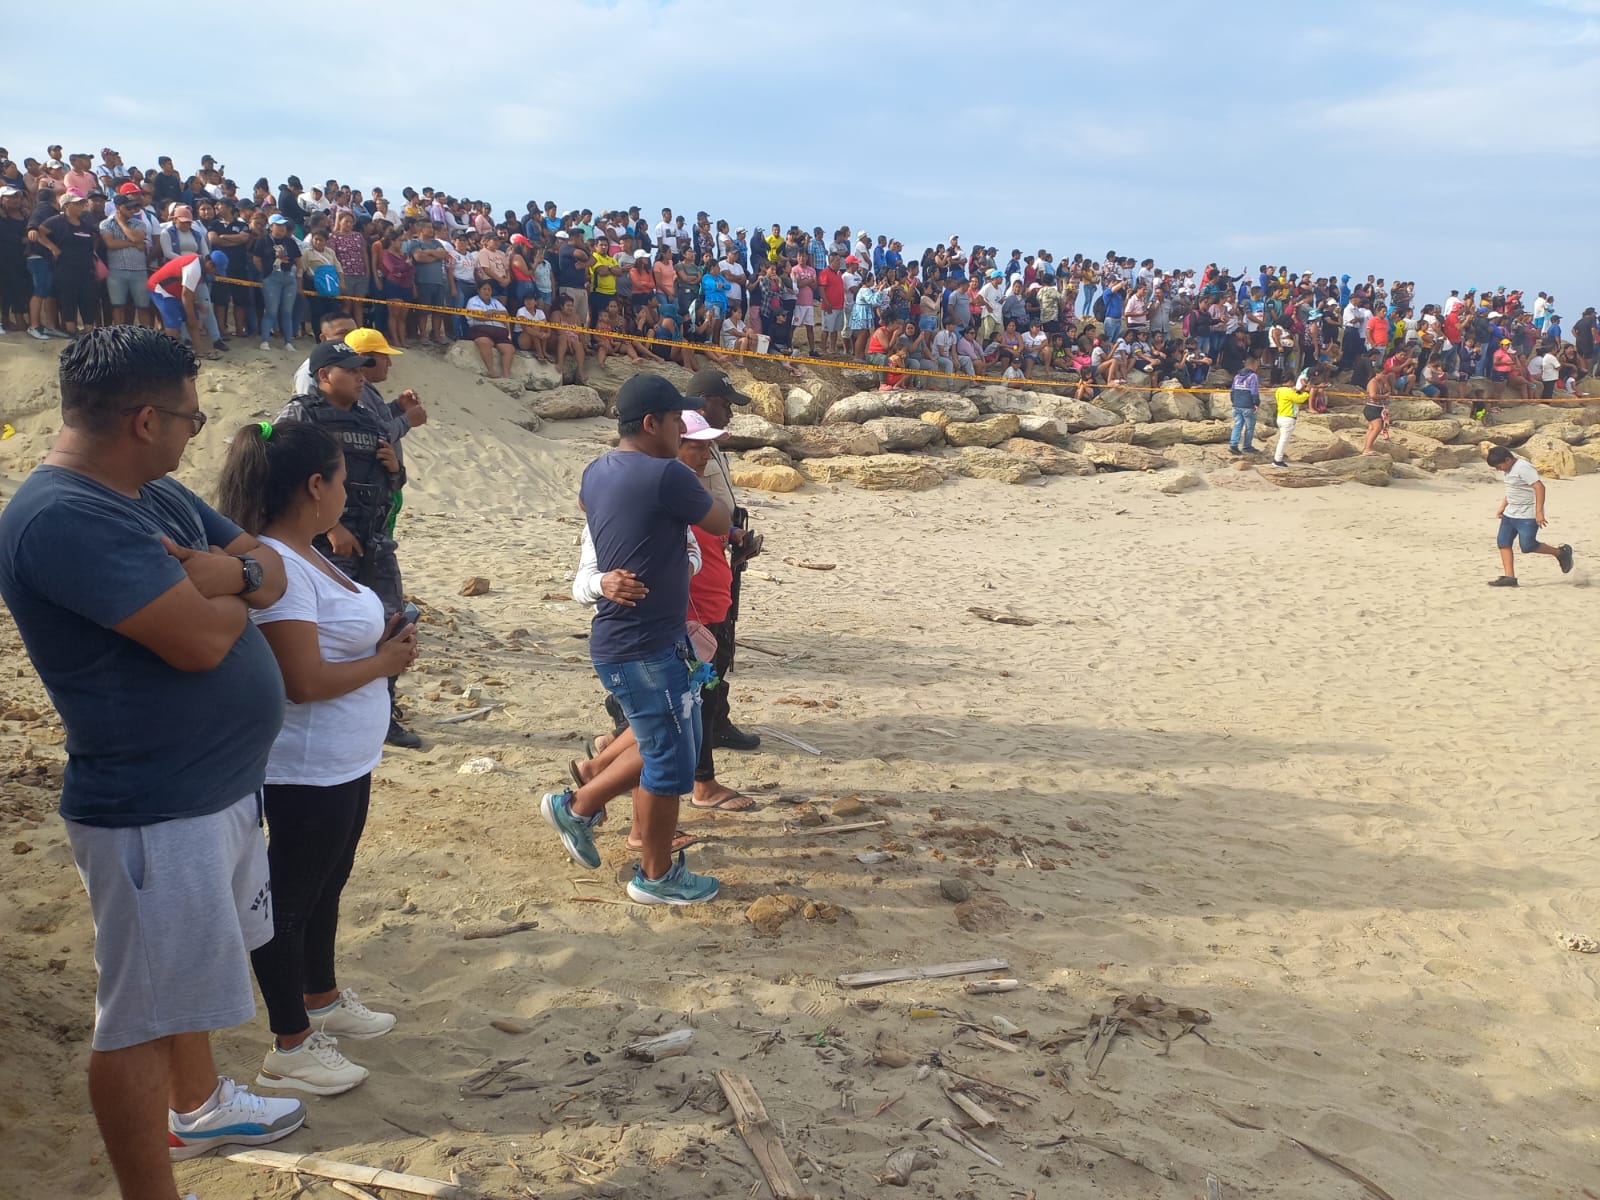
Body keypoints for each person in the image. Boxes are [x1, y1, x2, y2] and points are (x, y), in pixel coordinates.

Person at [0, 328, 306, 1191]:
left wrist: (225, 575)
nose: (194, 432)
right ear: (144, 418)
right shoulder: (65, 515)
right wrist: (230, 583)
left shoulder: (154, 497)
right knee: (136, 1014)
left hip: (211, 790)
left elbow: (271, 568)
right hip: (153, 808)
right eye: (190, 416)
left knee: (183, 979)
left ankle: (201, 1105)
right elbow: (202, 644)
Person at [216, 421, 417, 1096]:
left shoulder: (310, 551)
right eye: (339, 478)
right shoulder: (280, 563)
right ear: (314, 486)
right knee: (293, 897)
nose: (345, 490)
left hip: (343, 756)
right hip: (305, 763)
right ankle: (291, 1042)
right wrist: (383, 661)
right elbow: (299, 680)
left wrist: (378, 646)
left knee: (329, 881)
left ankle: (322, 995)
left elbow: (333, 646)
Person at [540, 374, 733, 904]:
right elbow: (718, 521)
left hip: (644, 640)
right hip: (644, 646)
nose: (682, 430)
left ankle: (582, 808)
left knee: (667, 746)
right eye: (676, 421)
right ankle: (654, 874)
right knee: (669, 761)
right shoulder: (665, 475)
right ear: (651, 424)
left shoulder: (597, 469)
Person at [276, 342, 416, 750]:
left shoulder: (370, 420)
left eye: (361, 370)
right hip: (319, 545)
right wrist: (333, 526)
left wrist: (394, 469)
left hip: (373, 542)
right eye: (350, 370)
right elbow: (279, 476)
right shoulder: (300, 415)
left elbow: (389, 484)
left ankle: (383, 712)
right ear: (324, 376)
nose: (360, 377)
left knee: (392, 625)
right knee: (324, 632)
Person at [1485, 446, 1574, 587]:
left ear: (1508, 459)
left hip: (1527, 514)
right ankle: (1510, 577)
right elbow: (1513, 489)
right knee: (1503, 542)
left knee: (1527, 545)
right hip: (1510, 513)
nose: (1498, 469)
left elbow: (1539, 487)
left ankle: (1561, 553)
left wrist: (1538, 512)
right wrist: (1503, 506)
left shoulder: (1523, 468)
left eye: (1499, 465)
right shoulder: (1507, 469)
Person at [464, 279, 516, 378]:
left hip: (499, 332)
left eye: (489, 290)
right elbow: (479, 316)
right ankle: (491, 371)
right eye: (484, 289)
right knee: (484, 342)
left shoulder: (495, 302)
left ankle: (506, 374)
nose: (487, 291)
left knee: (509, 349)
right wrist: (496, 314)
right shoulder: (473, 301)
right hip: (481, 330)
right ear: (479, 291)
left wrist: (492, 312)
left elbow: (506, 314)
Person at [1271, 372, 1319, 467]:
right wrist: (1307, 392)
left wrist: (1299, 390)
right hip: (1288, 418)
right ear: (1289, 381)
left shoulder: (1279, 390)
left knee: (1282, 439)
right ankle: (1277, 460)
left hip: (1280, 417)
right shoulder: (1288, 391)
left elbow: (1294, 395)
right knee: (1283, 440)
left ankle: (1277, 458)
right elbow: (1299, 399)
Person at [1228, 355, 1261, 455]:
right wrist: (1256, 403)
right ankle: (1247, 446)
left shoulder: (1237, 376)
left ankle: (1233, 445)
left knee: (1237, 424)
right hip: (1247, 405)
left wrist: (1234, 402)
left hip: (1237, 405)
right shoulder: (1253, 376)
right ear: (1253, 365)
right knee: (1250, 427)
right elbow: (1254, 391)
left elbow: (1232, 391)